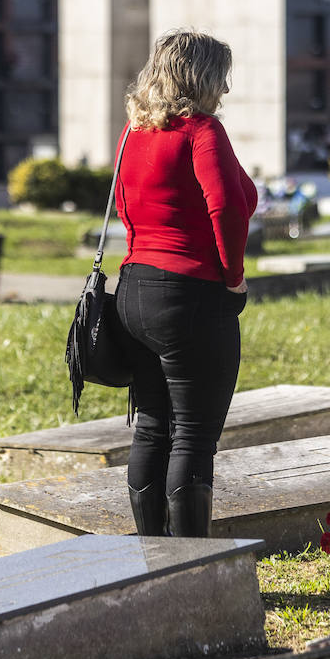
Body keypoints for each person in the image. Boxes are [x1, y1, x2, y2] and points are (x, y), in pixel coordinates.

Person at [113, 30, 257, 538]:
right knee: (194, 436)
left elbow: (130, 211)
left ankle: (151, 558)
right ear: (203, 78)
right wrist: (233, 279)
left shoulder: (134, 132)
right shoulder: (201, 132)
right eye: (221, 77)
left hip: (132, 292)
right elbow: (228, 206)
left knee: (152, 427)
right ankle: (191, 563)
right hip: (189, 295)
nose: (225, 89)